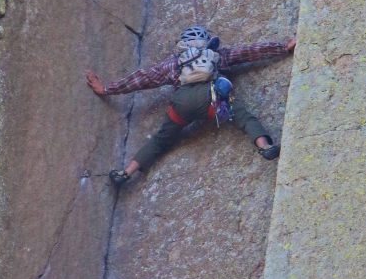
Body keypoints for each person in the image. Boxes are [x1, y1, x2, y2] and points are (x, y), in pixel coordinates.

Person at [86, 25, 296, 187]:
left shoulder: (173, 64)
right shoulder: (216, 55)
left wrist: (106, 88)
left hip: (181, 105)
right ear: (206, 41)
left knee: (161, 139)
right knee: (243, 116)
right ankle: (265, 147)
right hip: (211, 99)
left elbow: (142, 78)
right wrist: (283, 47)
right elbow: (248, 52)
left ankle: (126, 172)